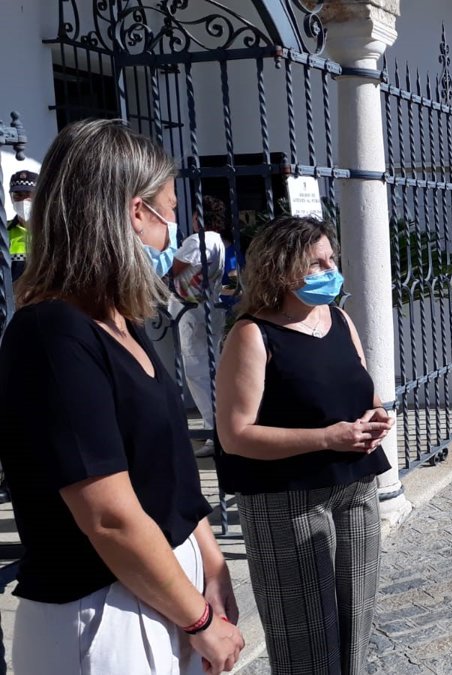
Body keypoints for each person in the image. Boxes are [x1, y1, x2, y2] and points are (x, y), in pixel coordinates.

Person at [0, 119, 244, 674]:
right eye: (169, 209)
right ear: (136, 212)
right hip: (103, 611)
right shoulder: (52, 334)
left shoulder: (117, 322)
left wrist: (211, 564)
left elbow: (168, 473)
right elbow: (108, 516)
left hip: (161, 591)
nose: (173, 228)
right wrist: (200, 623)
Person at [215, 216, 393, 675]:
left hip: (356, 489)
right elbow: (235, 435)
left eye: (331, 259)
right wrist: (328, 438)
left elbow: (363, 392)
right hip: (286, 502)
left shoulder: (340, 320)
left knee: (355, 629)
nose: (332, 270)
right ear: (282, 269)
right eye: (318, 263)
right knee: (304, 642)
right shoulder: (252, 335)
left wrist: (375, 417)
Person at [170, 195, 233, 457]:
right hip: (208, 309)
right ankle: (219, 428)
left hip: (191, 310)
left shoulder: (198, 241)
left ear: (198, 217)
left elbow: (173, 269)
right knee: (212, 370)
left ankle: (213, 431)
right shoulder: (217, 241)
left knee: (197, 373)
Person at [6, 170, 36, 282]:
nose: (23, 201)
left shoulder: (52, 233)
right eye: (18, 195)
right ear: (11, 197)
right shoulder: (3, 231)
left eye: (29, 194)